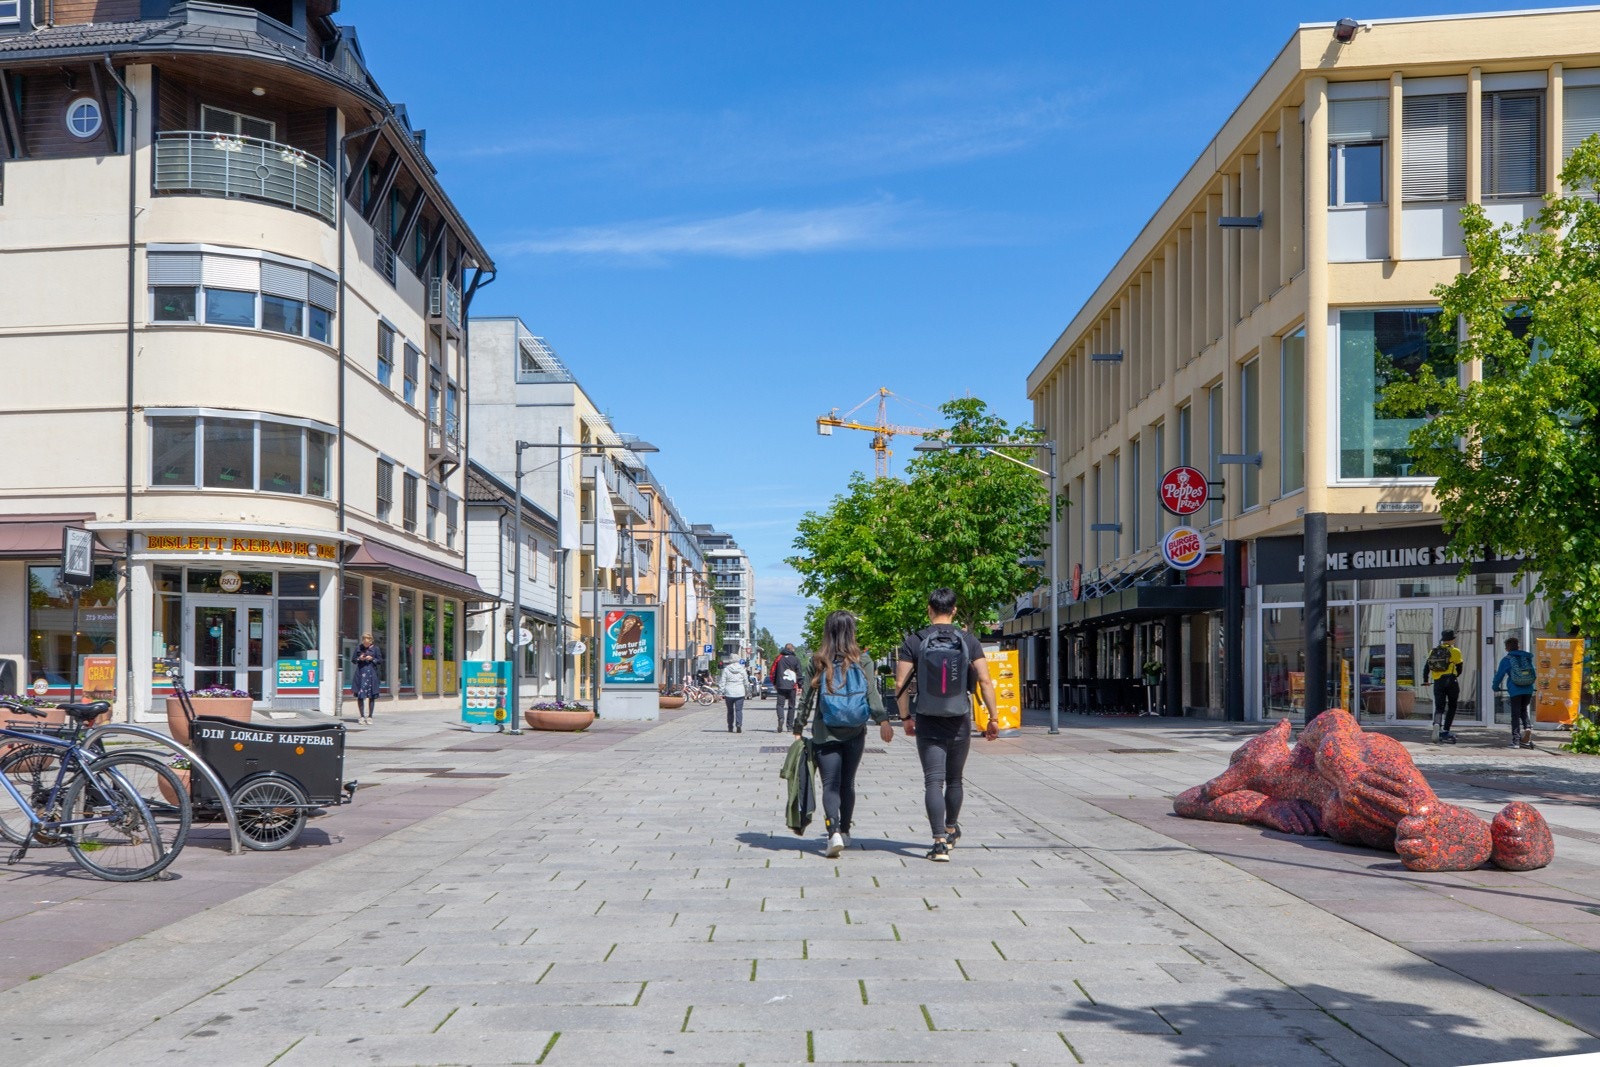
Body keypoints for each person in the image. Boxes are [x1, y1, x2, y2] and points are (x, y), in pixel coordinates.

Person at [1174, 710, 1553, 872]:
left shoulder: (1302, 745)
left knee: (1376, 765)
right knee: (1353, 812)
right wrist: (1264, 808)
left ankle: (1456, 833)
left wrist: (1346, 769)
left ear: (1277, 736)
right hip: (1338, 811)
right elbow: (1189, 800)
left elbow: (1337, 721)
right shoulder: (1256, 781)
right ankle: (1473, 839)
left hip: (1366, 766)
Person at [894, 587, 1000, 862]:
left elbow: (899, 684)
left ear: (929, 609)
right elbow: (985, 681)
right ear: (954, 611)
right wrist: (993, 717)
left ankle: (938, 841)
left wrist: (906, 718)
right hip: (959, 718)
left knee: (933, 779)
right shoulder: (969, 640)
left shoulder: (914, 641)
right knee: (954, 779)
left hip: (928, 718)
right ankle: (951, 829)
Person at [792, 611, 893, 857]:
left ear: (828, 631)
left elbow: (806, 697)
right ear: (851, 632)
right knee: (847, 783)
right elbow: (872, 694)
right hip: (855, 731)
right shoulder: (863, 660)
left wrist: (798, 727)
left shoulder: (817, 660)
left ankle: (833, 831)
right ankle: (845, 832)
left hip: (825, 731)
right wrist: (883, 720)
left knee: (830, 784)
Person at [1493, 636, 1537, 749]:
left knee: (1515, 714)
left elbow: (1499, 675)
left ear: (1507, 648)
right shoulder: (1526, 658)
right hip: (1528, 689)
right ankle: (1527, 728)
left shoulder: (1507, 660)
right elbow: (1533, 673)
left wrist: (1495, 686)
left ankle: (1516, 740)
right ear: (1518, 646)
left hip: (1515, 690)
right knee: (1523, 710)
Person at [1426, 628, 1464, 743]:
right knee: (1452, 706)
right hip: (1451, 681)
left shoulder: (1433, 651)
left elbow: (1426, 667)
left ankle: (1437, 724)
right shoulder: (1456, 651)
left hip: (1438, 682)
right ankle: (1446, 730)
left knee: (1439, 707)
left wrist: (1425, 679)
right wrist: (1455, 675)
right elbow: (1460, 667)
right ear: (1452, 640)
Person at [772, 643, 804, 731]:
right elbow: (799, 673)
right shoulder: (795, 659)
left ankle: (781, 718)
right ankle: (789, 726)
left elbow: (773, 671)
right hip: (792, 686)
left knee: (780, 705)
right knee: (791, 706)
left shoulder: (779, 659)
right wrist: (800, 685)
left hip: (781, 685)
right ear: (792, 649)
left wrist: (774, 683)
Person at [352, 633, 382, 724]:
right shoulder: (358, 648)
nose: (366, 644)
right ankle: (361, 716)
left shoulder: (376, 649)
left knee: (371, 696)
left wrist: (372, 659)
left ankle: (370, 717)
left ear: (371, 641)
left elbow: (380, 661)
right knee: (360, 696)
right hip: (361, 674)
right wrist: (359, 659)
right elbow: (353, 660)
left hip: (371, 674)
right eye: (364, 642)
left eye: (367, 643)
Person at [720, 657, 750, 733]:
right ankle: (739, 724)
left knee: (730, 711)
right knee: (739, 710)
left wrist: (721, 691)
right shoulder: (742, 669)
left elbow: (722, 681)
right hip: (740, 692)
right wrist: (747, 691)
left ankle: (730, 727)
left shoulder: (726, 669)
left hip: (729, 692)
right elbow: (746, 682)